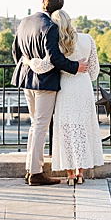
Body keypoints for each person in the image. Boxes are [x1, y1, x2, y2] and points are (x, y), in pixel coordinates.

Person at [11, 0, 88, 186]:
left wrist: (29, 67)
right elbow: (55, 58)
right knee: (40, 127)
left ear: (42, 4)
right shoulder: (51, 27)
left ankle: (31, 169)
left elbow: (16, 52)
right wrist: (75, 67)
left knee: (34, 126)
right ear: (59, 10)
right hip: (45, 83)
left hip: (27, 79)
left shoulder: (24, 22)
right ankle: (36, 173)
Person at [23, 9, 104, 185]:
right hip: (83, 87)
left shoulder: (59, 43)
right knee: (82, 128)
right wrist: (82, 76)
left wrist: (28, 61)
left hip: (65, 87)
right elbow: (94, 71)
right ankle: (80, 172)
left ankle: (70, 175)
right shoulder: (88, 39)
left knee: (66, 130)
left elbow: (44, 65)